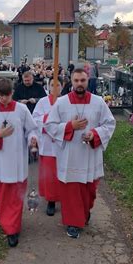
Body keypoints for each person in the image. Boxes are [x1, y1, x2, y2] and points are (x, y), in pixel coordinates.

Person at [45, 69, 116, 239]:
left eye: (82, 80)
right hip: (69, 155)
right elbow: (50, 125)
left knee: (88, 191)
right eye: (76, 80)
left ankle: (84, 212)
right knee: (71, 191)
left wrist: (94, 134)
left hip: (90, 155)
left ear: (87, 80)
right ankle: (73, 223)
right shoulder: (61, 103)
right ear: (71, 81)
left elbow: (109, 124)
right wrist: (70, 126)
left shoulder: (98, 102)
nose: (79, 84)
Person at [0, 79, 38, 247]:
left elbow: (32, 129)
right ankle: (8, 226)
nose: (2, 99)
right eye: (0, 96)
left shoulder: (22, 110)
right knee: (5, 197)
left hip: (18, 161)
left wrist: (33, 139)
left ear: (12, 93)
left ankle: (14, 227)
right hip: (0, 161)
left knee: (17, 196)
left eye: (6, 96)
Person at [33, 78, 62, 216]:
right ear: (48, 86)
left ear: (62, 87)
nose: (55, 87)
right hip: (48, 144)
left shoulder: (66, 101)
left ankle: (64, 198)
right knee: (50, 174)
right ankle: (51, 201)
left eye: (57, 85)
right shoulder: (42, 102)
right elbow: (35, 119)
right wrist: (47, 118)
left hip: (62, 143)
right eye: (52, 85)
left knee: (63, 173)